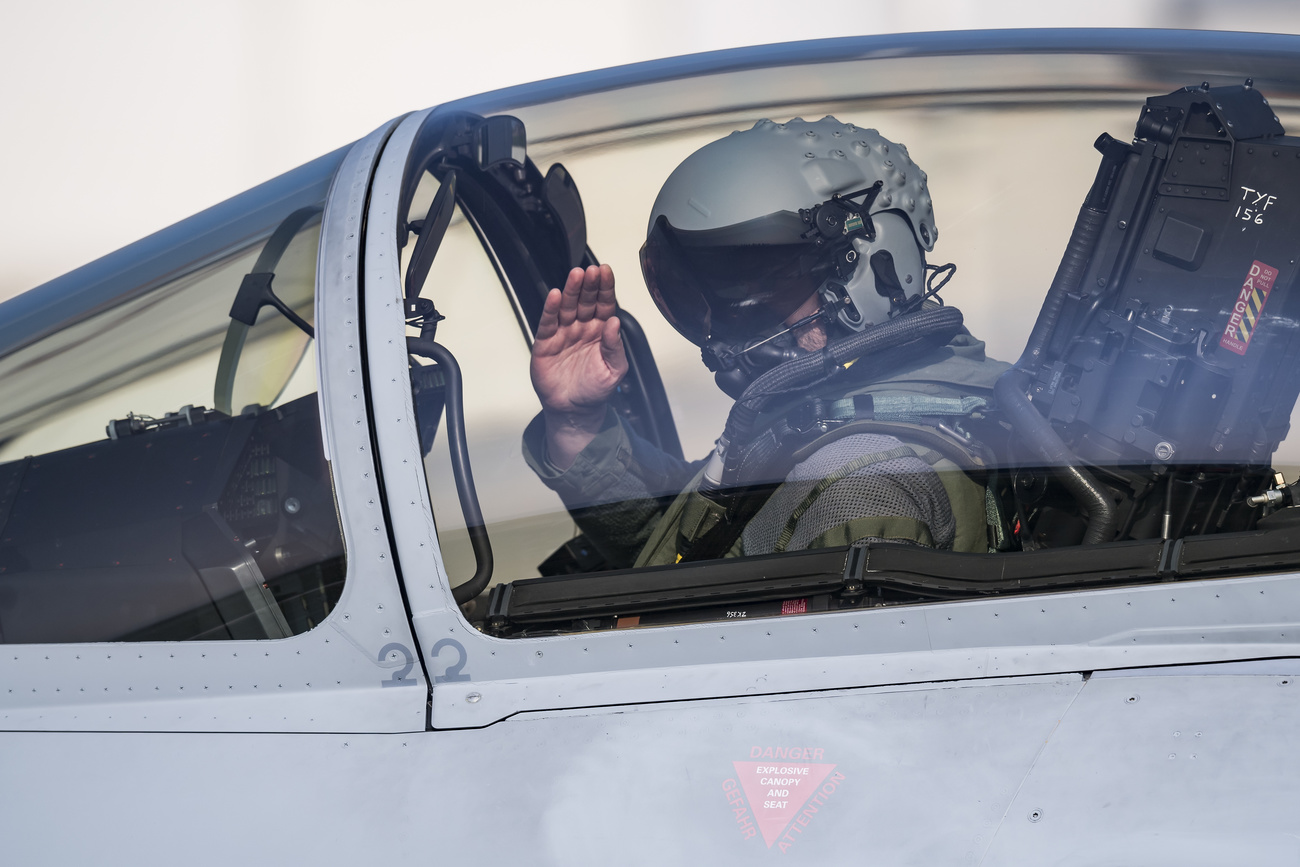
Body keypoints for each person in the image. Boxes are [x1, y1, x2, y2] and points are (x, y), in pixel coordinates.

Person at [523, 117, 1009, 570]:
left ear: (874, 262)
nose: (732, 322)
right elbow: (687, 545)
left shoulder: (856, 483)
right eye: (711, 292)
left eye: (761, 284)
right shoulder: (828, 415)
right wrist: (576, 424)